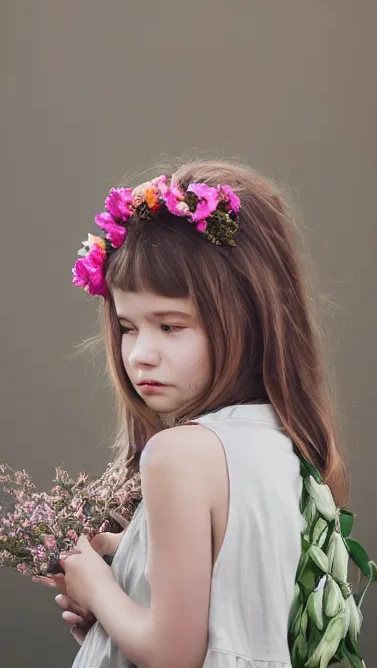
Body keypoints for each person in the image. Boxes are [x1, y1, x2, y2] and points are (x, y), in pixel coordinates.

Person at [34, 158, 350, 667]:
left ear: (245, 319)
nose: (139, 354)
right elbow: (235, 615)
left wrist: (94, 587)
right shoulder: (281, 444)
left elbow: (173, 654)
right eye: (128, 327)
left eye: (171, 326)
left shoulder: (179, 454)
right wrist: (121, 585)